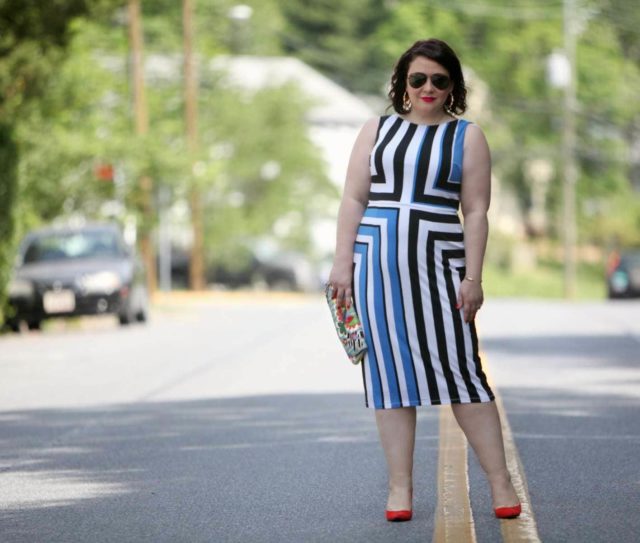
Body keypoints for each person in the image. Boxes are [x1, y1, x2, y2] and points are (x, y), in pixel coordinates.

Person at [328, 38, 521, 522]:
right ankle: (400, 490)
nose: (428, 87)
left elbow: (475, 212)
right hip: (376, 267)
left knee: (462, 373)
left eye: (439, 79)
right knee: (389, 376)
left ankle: (500, 481)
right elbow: (353, 199)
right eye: (418, 79)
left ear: (452, 86)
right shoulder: (376, 129)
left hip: (441, 266)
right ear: (403, 85)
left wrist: (473, 278)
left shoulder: (467, 137)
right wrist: (341, 263)